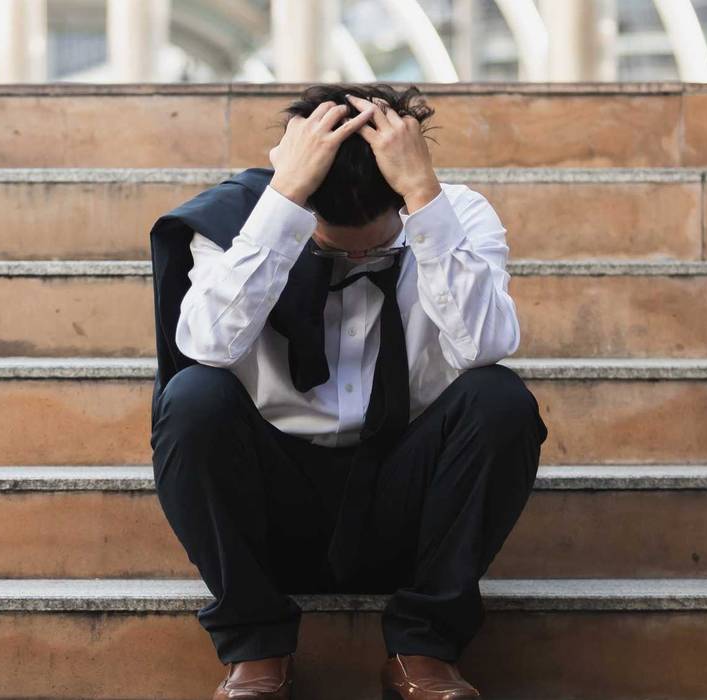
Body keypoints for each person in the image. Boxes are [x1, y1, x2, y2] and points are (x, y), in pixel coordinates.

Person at [147, 83, 549, 700]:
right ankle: (257, 650)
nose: (361, 255)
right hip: (273, 499)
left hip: (406, 498)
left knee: (500, 400)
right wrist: (284, 202)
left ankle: (424, 649)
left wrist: (422, 197)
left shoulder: (455, 215)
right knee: (192, 399)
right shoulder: (238, 220)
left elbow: (483, 345)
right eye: (337, 243)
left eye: (377, 242)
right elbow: (206, 345)